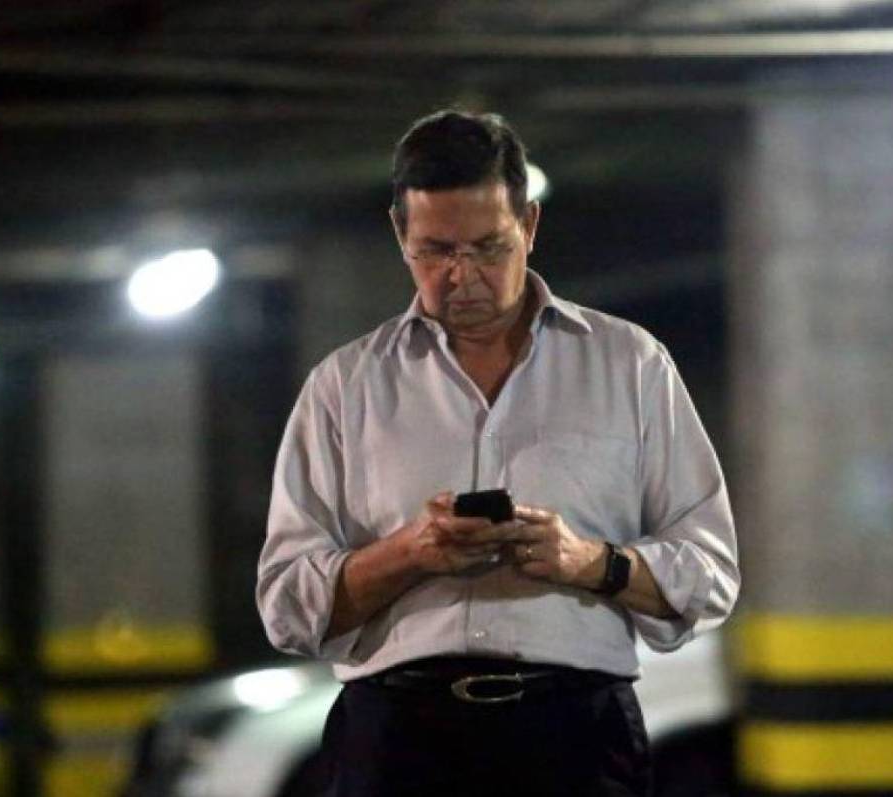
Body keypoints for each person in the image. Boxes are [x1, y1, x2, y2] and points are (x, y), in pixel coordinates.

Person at [256, 109, 740, 797]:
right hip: (400, 736)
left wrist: (589, 561)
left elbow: (712, 574)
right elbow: (285, 606)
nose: (463, 276)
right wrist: (410, 553)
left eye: (489, 248)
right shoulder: (344, 385)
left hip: (576, 735)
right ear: (400, 234)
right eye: (435, 252)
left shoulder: (630, 365)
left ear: (530, 226)